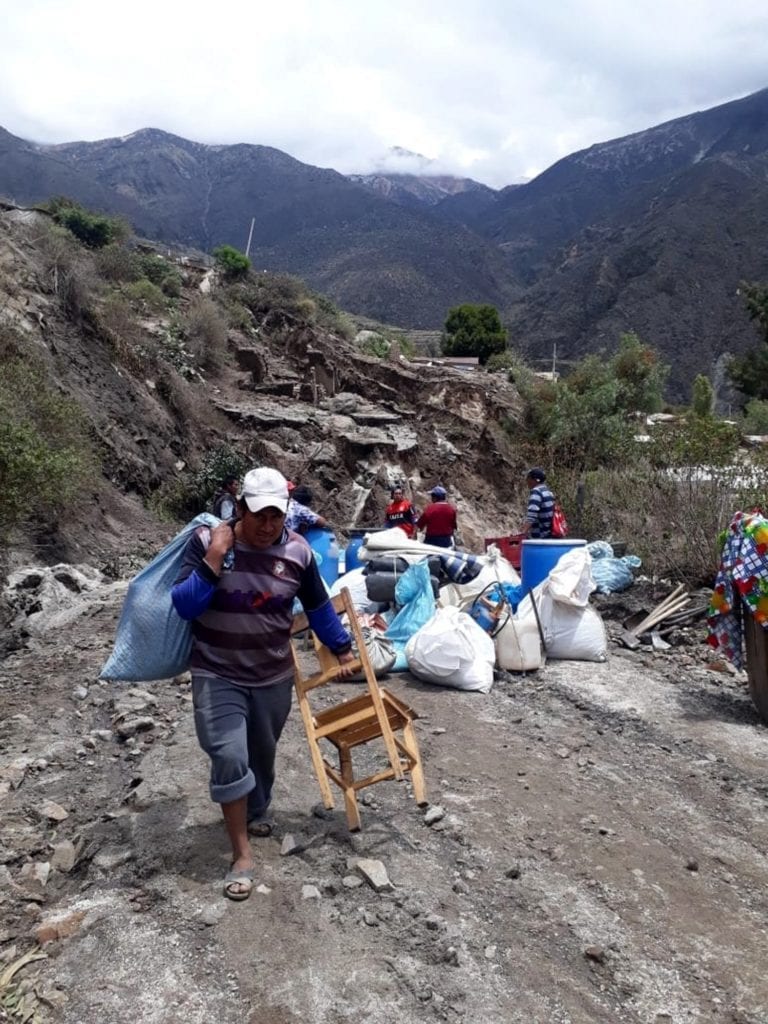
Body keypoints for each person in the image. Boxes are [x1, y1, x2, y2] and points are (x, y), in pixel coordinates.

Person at [171, 467, 356, 901]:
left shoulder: (298, 553)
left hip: (272, 674)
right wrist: (215, 558)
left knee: (262, 751)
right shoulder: (206, 543)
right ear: (240, 510)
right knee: (229, 753)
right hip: (216, 671)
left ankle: (255, 809)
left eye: (276, 516)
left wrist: (342, 647)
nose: (268, 525)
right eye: (258, 515)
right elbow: (184, 605)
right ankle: (241, 853)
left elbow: (317, 606)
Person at [522, 467, 555, 538]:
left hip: (540, 535)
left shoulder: (536, 492)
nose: (527, 480)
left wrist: (522, 533)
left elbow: (531, 516)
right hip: (548, 534)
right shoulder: (548, 492)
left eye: (528, 478)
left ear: (534, 480)